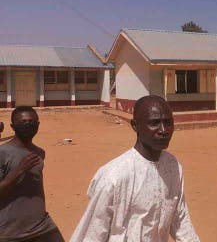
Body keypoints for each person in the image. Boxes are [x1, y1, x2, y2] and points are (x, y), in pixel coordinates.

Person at [70, 95, 200, 242]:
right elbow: (94, 234)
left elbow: (180, 219)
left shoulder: (173, 166)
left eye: (168, 122)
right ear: (135, 126)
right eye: (154, 123)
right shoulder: (114, 176)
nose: (163, 130)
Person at [0, 106, 65, 242]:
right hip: (10, 231)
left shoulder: (39, 153)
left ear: (38, 124)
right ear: (13, 127)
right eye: (22, 122)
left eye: (31, 121)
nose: (27, 125)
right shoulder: (3, 153)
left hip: (42, 225)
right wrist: (19, 169)